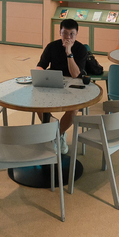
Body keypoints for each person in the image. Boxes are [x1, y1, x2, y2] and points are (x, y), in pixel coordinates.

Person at [36, 19, 89, 152]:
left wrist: (69, 52)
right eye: (65, 33)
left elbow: (75, 74)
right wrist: (38, 74)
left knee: (73, 110)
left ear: (77, 34)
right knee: (37, 103)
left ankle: (57, 134)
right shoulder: (52, 46)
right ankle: (56, 130)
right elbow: (41, 65)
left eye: (72, 34)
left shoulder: (81, 49)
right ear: (60, 32)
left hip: (73, 85)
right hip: (54, 82)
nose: (68, 37)